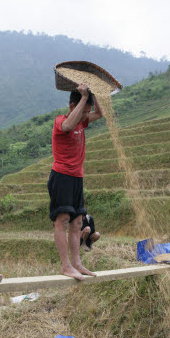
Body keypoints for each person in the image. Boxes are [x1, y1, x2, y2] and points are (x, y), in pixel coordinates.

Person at [47, 83, 103, 280]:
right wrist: (83, 96)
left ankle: (77, 263)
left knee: (78, 222)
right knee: (62, 220)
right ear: (72, 107)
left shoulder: (82, 122)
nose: (86, 115)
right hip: (62, 176)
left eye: (87, 111)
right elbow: (68, 125)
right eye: (83, 110)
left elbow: (100, 114)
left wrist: (96, 95)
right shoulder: (61, 121)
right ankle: (66, 265)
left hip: (77, 177)